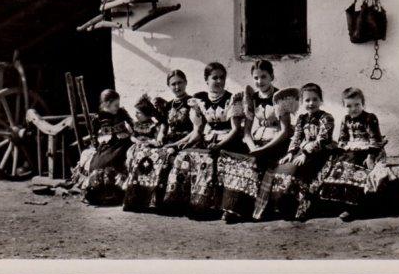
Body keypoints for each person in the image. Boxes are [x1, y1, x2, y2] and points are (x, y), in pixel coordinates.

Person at [163, 62, 244, 219]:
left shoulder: (231, 99)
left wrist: (219, 145)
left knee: (209, 158)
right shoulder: (199, 100)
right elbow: (198, 131)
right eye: (215, 78)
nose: (219, 81)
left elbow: (235, 130)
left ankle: (209, 205)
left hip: (228, 141)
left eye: (222, 78)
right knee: (183, 155)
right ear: (207, 80)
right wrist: (182, 144)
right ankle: (182, 202)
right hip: (207, 140)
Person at [218, 60, 296, 223]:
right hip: (257, 142)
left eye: (263, 77)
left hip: (276, 143)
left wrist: (264, 149)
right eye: (256, 78)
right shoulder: (252, 99)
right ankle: (231, 207)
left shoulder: (279, 98)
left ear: (271, 77)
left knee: (252, 163)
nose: (260, 81)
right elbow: (246, 130)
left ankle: (245, 209)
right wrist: (252, 146)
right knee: (237, 161)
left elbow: (285, 131)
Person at [253, 83, 335, 221]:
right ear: (302, 102)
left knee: (299, 169)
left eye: (315, 99)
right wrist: (290, 153)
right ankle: (283, 207)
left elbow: (322, 139)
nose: (311, 103)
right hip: (302, 150)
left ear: (321, 100)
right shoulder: (302, 118)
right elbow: (296, 137)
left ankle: (303, 207)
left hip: (320, 152)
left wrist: (305, 154)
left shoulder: (326, 118)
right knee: (282, 168)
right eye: (307, 100)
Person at [122, 70, 194, 212]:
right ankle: (141, 198)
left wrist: (178, 143)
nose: (177, 87)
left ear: (186, 82)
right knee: (144, 153)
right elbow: (164, 124)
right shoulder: (168, 105)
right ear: (169, 86)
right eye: (173, 84)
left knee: (165, 156)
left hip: (187, 139)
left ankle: (164, 201)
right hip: (169, 139)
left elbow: (197, 128)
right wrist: (161, 135)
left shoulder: (192, 102)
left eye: (180, 83)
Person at [318, 87, 388, 222]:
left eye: (357, 105)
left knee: (356, 170)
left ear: (363, 104)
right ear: (344, 106)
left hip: (368, 149)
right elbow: (343, 139)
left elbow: (375, 139)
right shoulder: (345, 119)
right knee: (338, 166)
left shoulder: (370, 118)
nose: (353, 109)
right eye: (349, 106)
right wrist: (341, 149)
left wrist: (371, 156)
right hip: (351, 149)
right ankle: (338, 204)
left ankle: (354, 208)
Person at [72, 89, 134, 205]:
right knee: (97, 163)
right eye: (115, 105)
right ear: (107, 103)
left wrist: (132, 133)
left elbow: (132, 125)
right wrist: (95, 145)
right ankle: (100, 193)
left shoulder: (121, 113)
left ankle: (117, 193)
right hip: (106, 146)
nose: (117, 107)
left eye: (118, 104)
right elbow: (94, 136)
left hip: (122, 144)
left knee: (114, 160)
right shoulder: (98, 118)